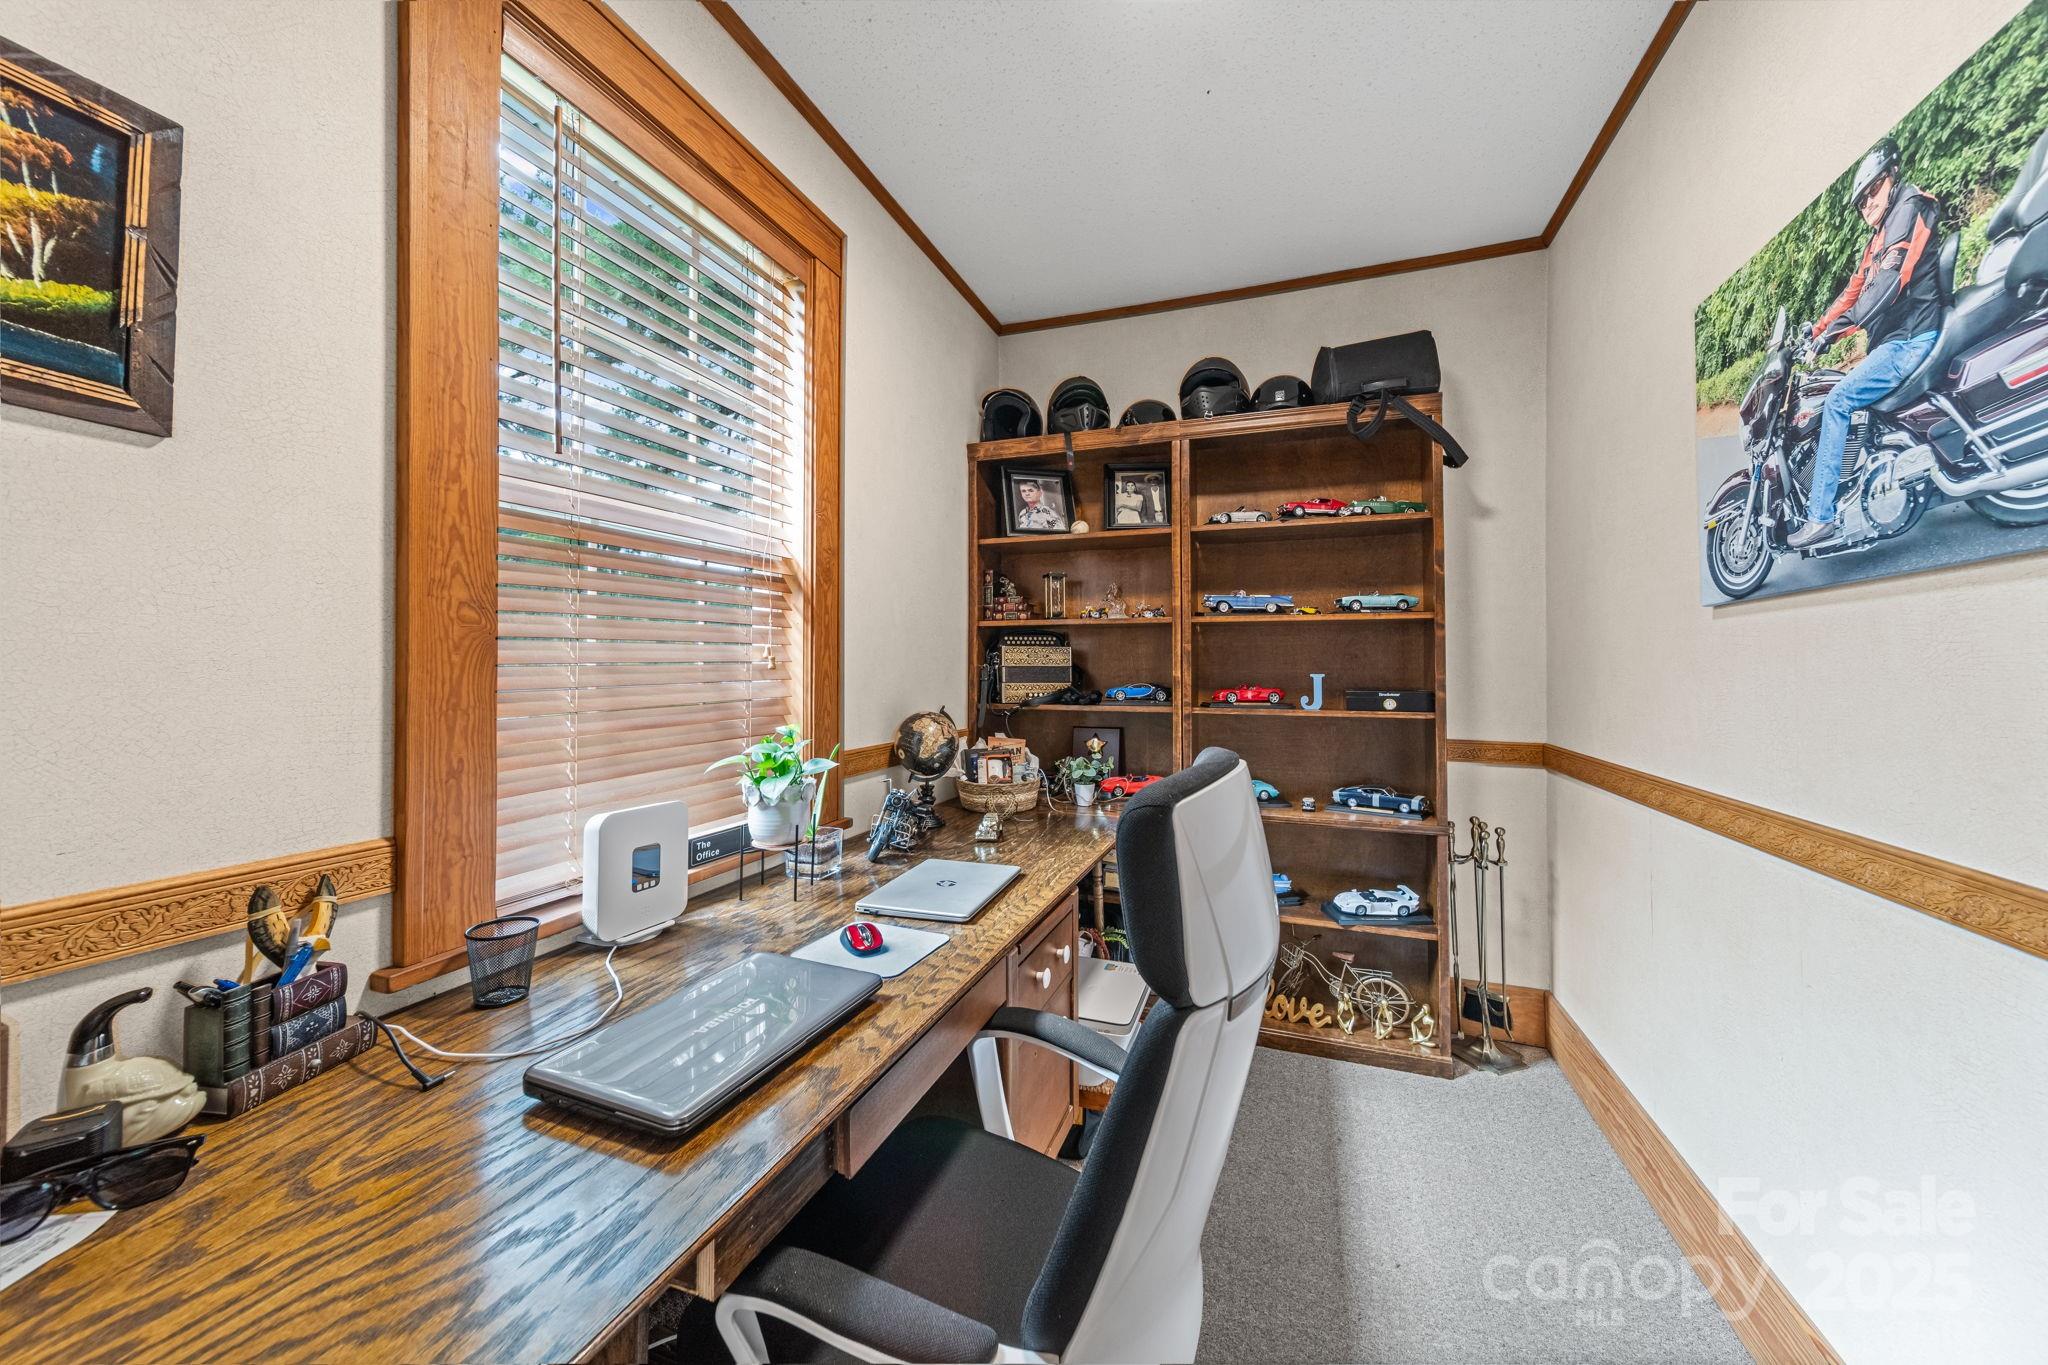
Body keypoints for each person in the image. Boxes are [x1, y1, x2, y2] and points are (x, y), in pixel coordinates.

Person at [1791, 138, 1943, 549]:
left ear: (1891, 177)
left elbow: (1888, 287)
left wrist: (1838, 333)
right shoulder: (1877, 237)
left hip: (1910, 337)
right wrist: (1817, 331)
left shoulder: (1909, 209)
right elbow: (1854, 291)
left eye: (1872, 191)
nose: (1867, 204)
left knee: (1838, 400)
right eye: (1860, 201)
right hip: (1894, 340)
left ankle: (1821, 518)